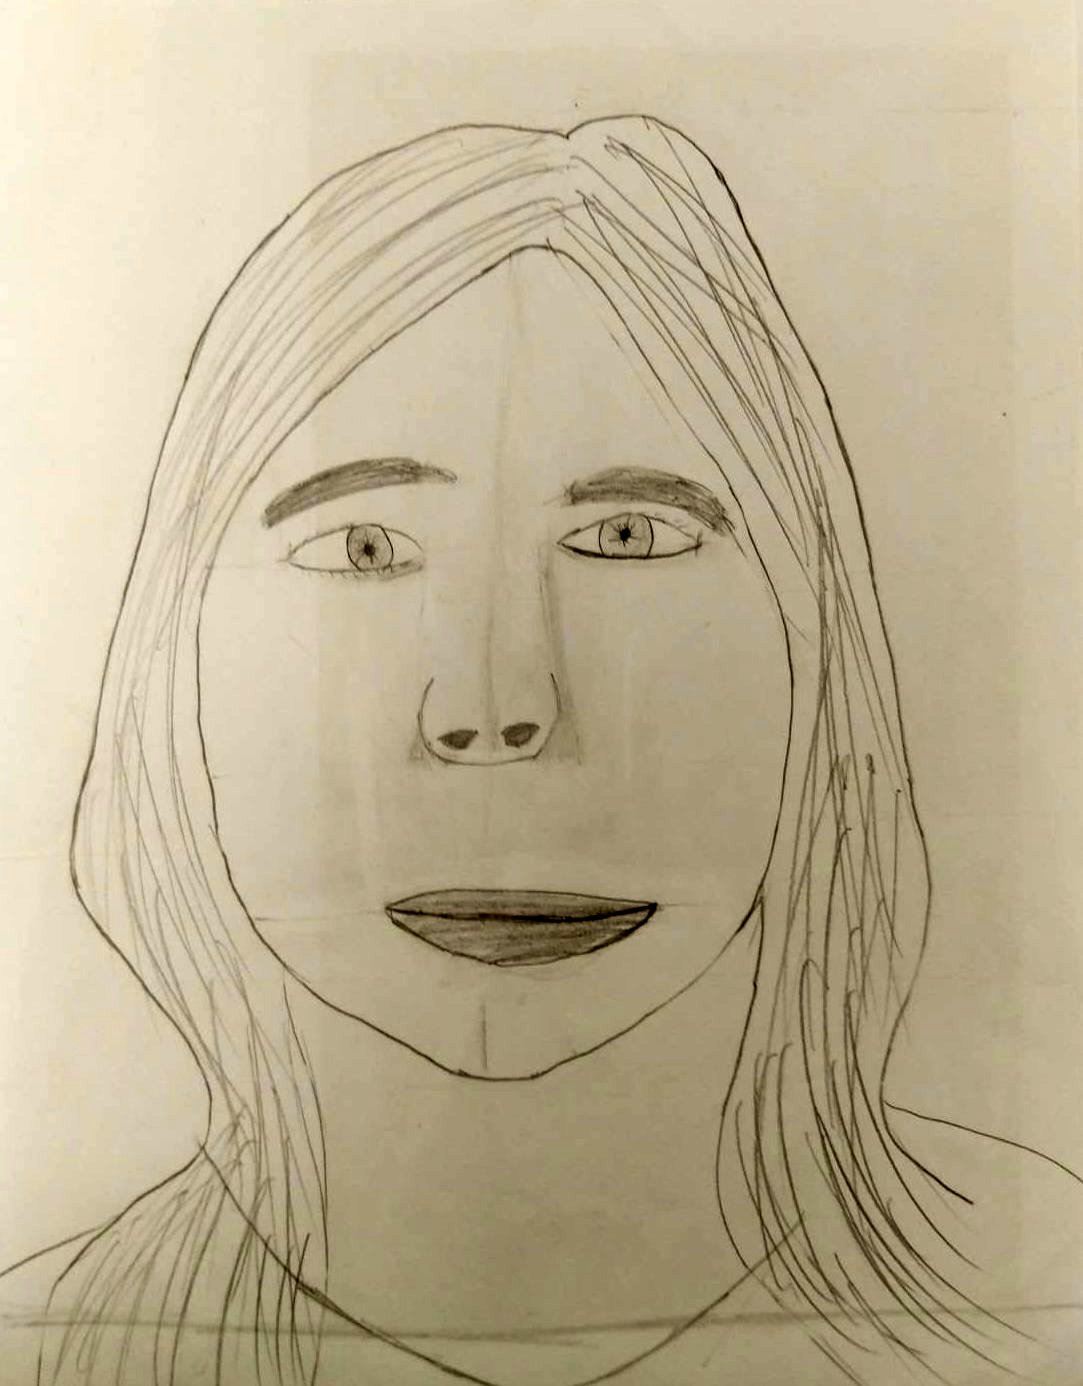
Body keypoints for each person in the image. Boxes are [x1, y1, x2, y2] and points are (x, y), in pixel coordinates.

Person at [1, 116, 1079, 1386]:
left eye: (629, 537)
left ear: (817, 635)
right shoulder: (60, 1347)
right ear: (166, 652)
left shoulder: (1044, 1300)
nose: (495, 707)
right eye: (363, 547)